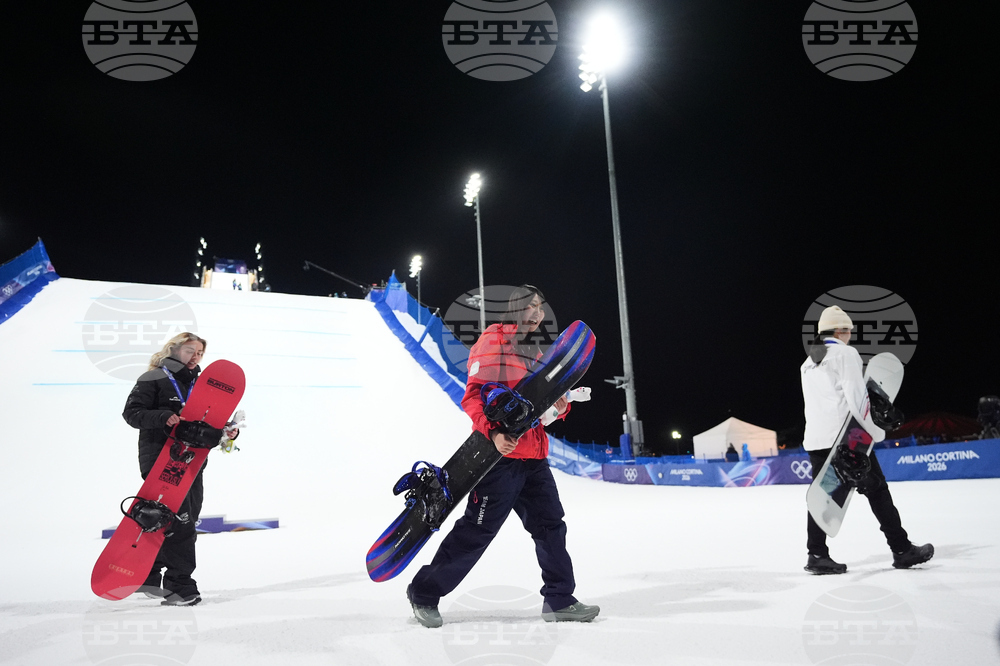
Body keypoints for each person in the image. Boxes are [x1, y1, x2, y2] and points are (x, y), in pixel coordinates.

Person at [406, 285, 600, 627]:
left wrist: (562, 404)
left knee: (551, 526)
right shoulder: (493, 341)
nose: (538, 313)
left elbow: (536, 407)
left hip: (534, 458)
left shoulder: (536, 351)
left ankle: (559, 599)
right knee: (477, 532)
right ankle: (423, 593)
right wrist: (492, 433)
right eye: (532, 307)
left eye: (541, 307)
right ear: (515, 309)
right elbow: (473, 396)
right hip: (498, 460)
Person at [800, 306, 933, 574]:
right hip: (847, 437)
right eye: (849, 331)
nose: (850, 336)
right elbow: (857, 396)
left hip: (816, 438)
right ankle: (901, 549)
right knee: (877, 489)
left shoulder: (808, 361)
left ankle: (817, 555)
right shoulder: (844, 353)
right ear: (841, 330)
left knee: (822, 497)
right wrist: (874, 430)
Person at [122, 332, 213, 606]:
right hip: (161, 459)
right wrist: (164, 416)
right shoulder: (154, 378)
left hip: (192, 461)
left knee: (183, 519)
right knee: (182, 524)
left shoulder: (201, 383)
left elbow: (208, 421)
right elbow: (132, 413)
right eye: (189, 350)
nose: (194, 357)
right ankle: (179, 587)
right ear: (173, 350)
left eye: (199, 353)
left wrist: (225, 433)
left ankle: (148, 576)